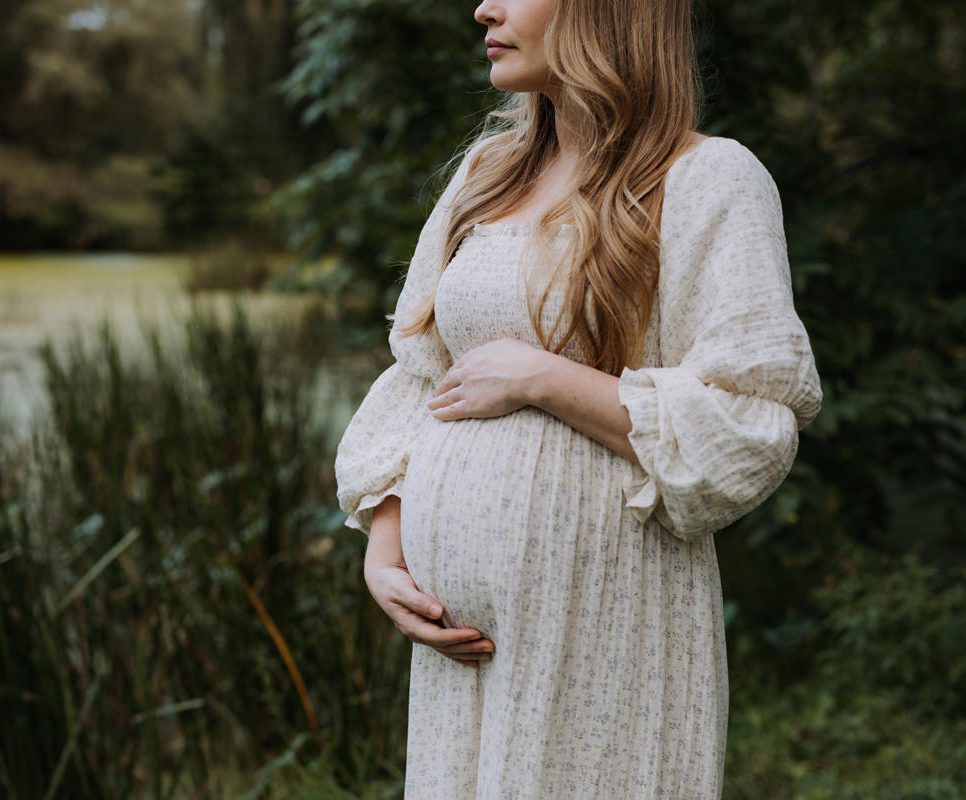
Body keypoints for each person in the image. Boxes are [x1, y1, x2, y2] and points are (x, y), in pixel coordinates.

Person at [334, 0, 823, 796]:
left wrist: (543, 378)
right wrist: (383, 553)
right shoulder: (484, 174)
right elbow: (419, 375)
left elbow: (750, 419)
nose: (484, 7)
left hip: (602, 624)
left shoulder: (709, 179)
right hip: (461, 653)